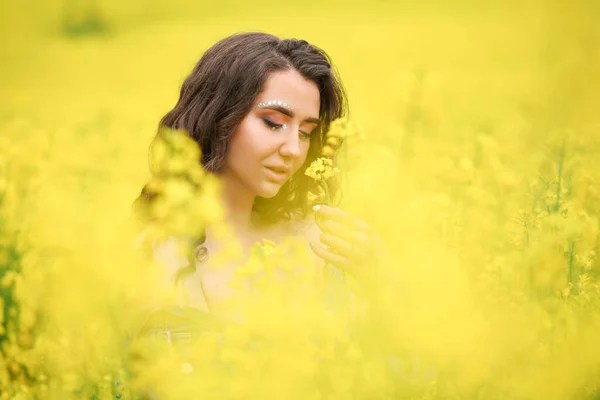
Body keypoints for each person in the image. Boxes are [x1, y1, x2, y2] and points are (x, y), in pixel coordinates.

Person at [133, 32, 381, 340]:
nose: (293, 149)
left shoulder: (318, 242)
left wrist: (383, 281)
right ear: (218, 114)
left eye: (305, 132)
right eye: (273, 122)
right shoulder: (157, 253)